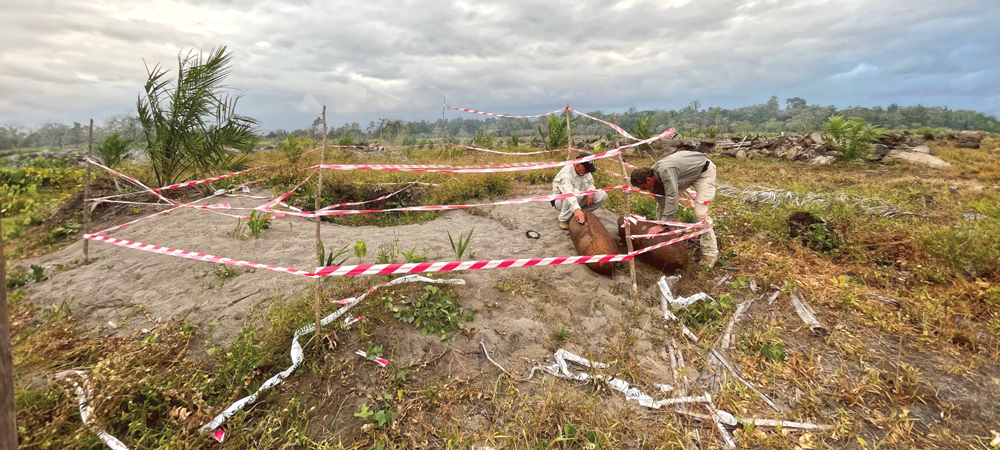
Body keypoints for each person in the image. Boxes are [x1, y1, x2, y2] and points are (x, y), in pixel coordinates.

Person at [629, 150, 718, 267]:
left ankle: (710, 254)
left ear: (649, 180)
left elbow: (672, 197)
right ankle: (670, 240)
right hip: (684, 175)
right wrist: (664, 224)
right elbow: (662, 200)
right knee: (662, 210)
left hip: (703, 172)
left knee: (700, 214)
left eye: (643, 187)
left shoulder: (665, 171)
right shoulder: (652, 175)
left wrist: (663, 224)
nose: (643, 190)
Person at [551, 152, 607, 230]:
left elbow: (590, 183)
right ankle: (564, 220)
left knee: (602, 195)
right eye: (586, 169)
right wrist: (576, 209)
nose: (587, 172)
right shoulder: (566, 173)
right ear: (577, 165)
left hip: (578, 197)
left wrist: (590, 191)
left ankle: (581, 214)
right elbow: (569, 193)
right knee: (577, 192)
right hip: (561, 201)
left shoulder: (585, 172)